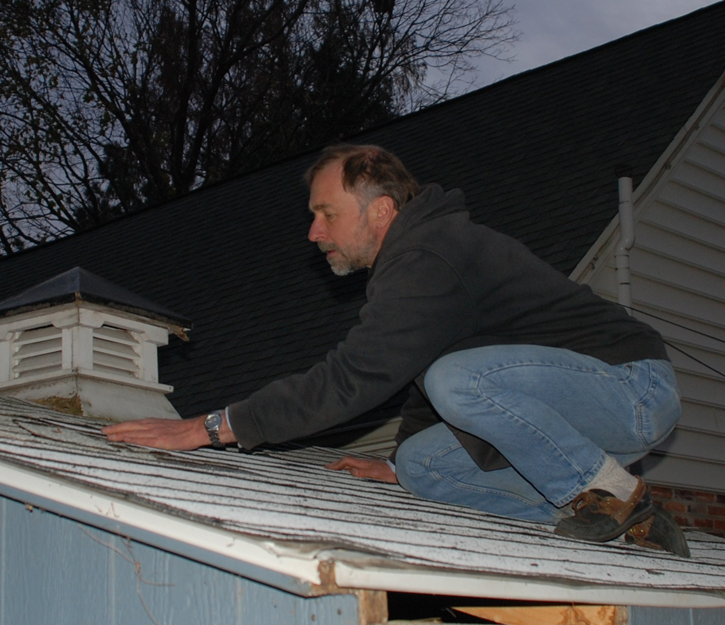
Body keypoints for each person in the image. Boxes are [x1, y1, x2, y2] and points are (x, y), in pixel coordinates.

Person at [102, 144, 688, 554]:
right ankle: (603, 517)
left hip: (631, 389)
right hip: (572, 420)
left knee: (457, 380)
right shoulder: (417, 267)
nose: (314, 232)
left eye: (326, 214)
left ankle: (612, 493)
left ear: (381, 209)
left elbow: (355, 377)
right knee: (419, 465)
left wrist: (211, 427)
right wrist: (396, 461)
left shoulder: (431, 254)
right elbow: (416, 375)